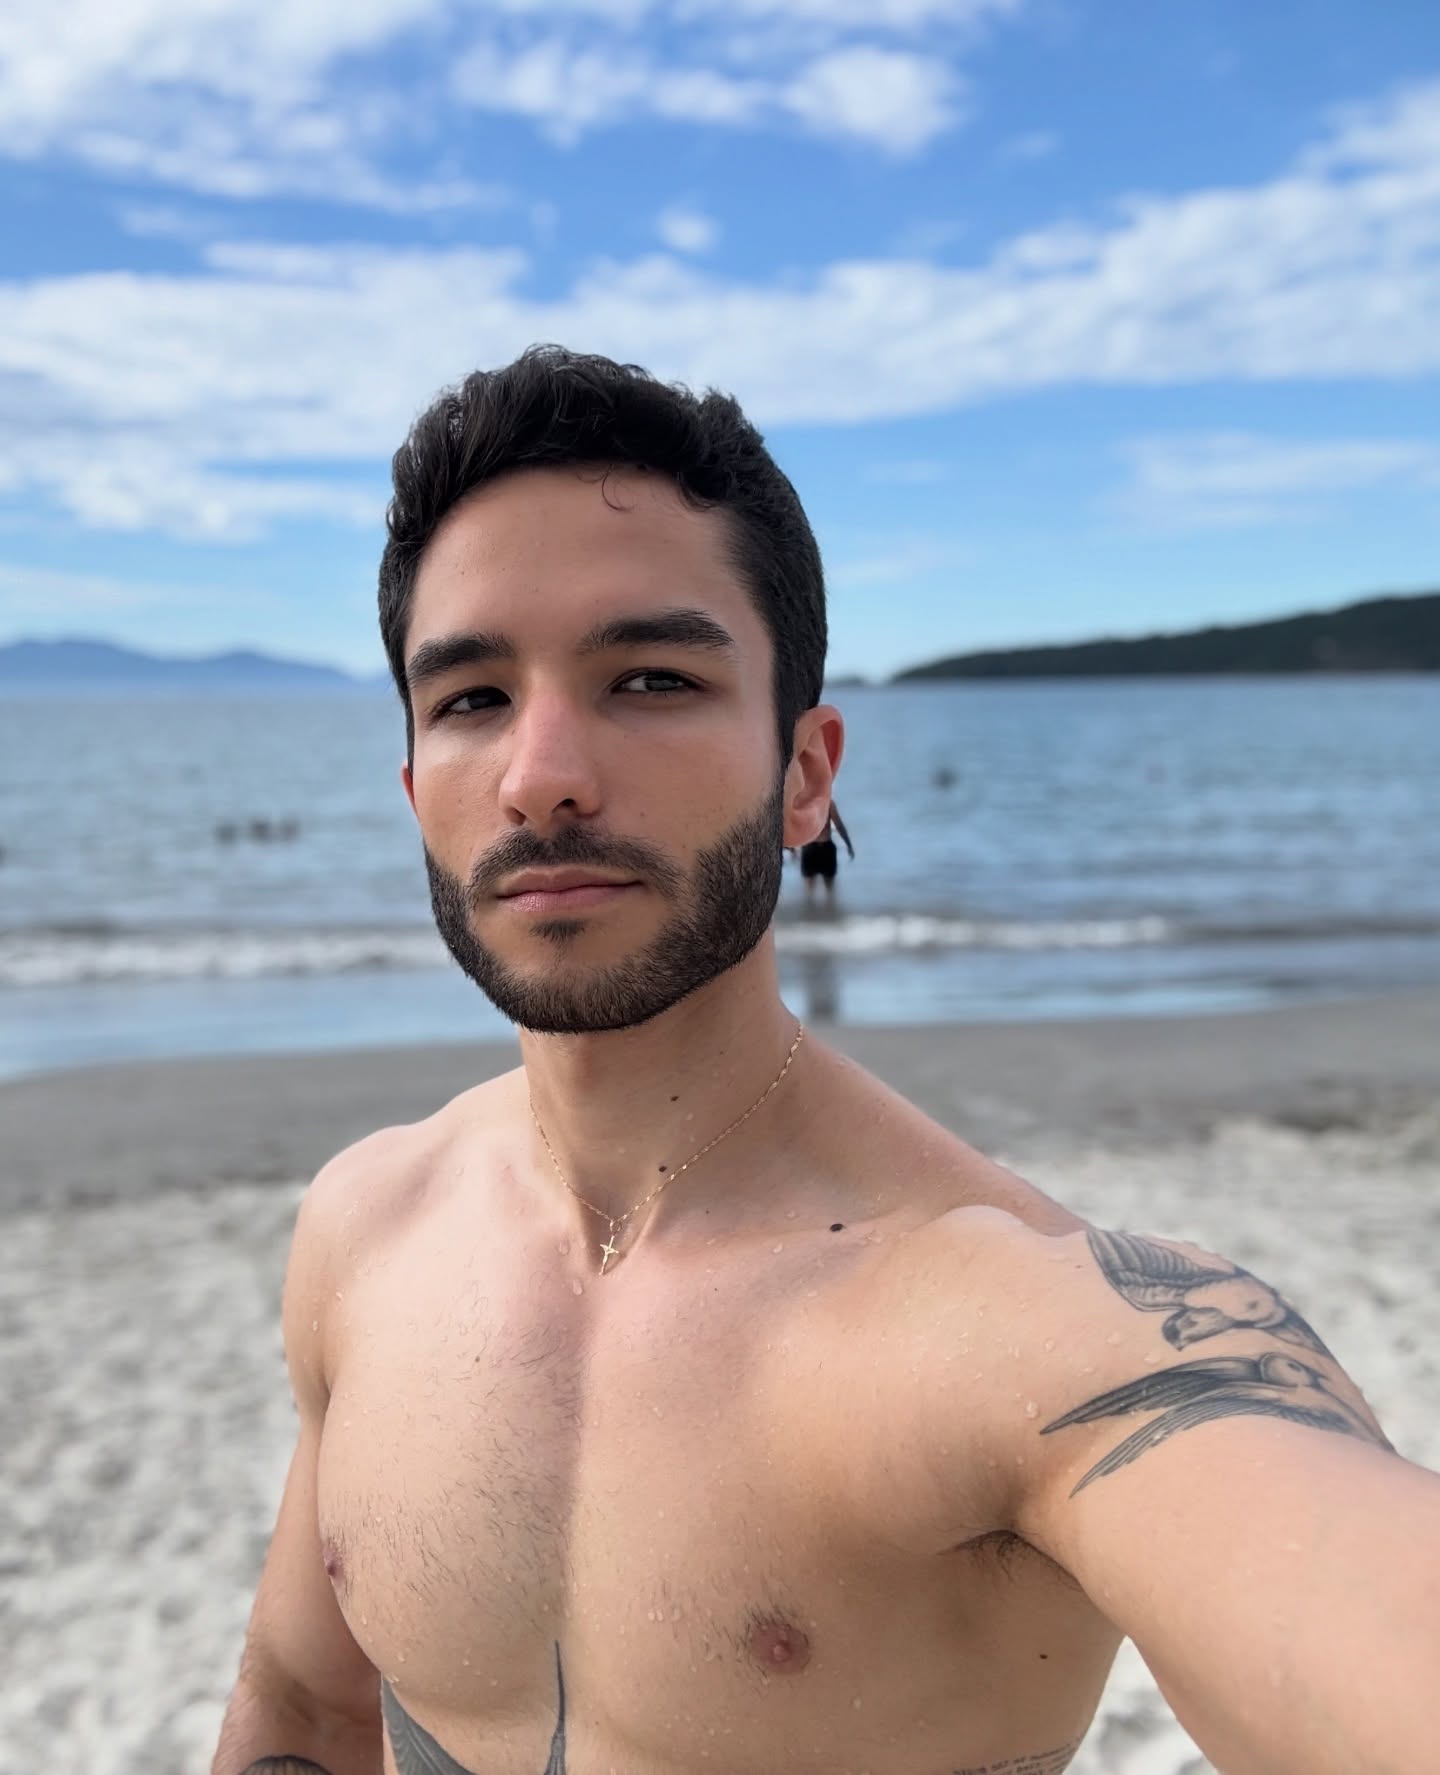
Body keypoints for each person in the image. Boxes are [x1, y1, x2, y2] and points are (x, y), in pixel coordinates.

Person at [213, 347, 1439, 1775]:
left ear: (805, 774)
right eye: (472, 696)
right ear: (415, 782)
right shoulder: (363, 1230)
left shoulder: (1015, 1324)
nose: (541, 773)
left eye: (651, 677)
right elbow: (303, 1705)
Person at [798, 801, 853, 905]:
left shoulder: (808, 802)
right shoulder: (826, 802)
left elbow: (839, 825)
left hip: (817, 848)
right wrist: (849, 845)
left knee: (816, 890)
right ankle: (822, 912)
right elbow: (839, 825)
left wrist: (848, 844)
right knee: (823, 890)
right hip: (816, 848)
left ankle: (819, 912)